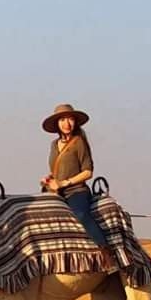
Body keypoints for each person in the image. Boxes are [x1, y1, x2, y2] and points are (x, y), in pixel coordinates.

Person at [40, 103, 108, 247]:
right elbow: (57, 171)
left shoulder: (79, 142)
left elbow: (88, 171)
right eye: (62, 120)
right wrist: (49, 179)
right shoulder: (54, 144)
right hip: (56, 191)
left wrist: (65, 183)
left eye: (70, 119)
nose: (67, 123)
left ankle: (106, 252)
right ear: (57, 124)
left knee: (81, 214)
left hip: (76, 191)